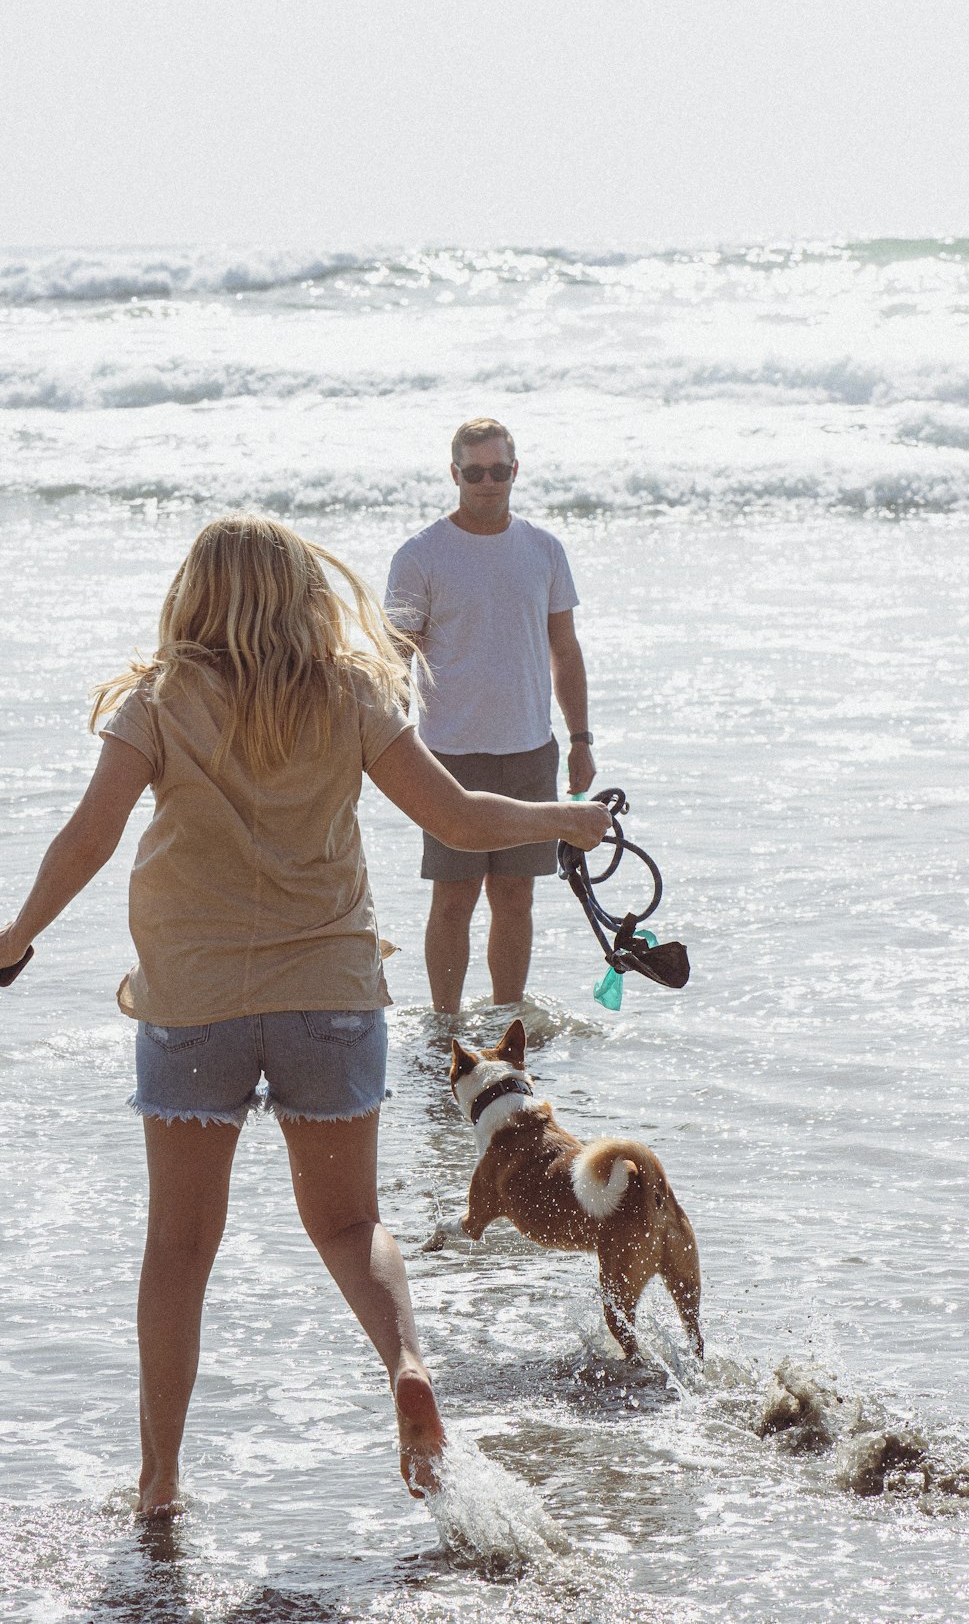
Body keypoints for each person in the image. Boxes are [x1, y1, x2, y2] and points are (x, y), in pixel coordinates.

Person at [0, 515, 610, 1519]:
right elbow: (455, 815)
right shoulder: (353, 689)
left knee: (179, 1246)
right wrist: (560, 818)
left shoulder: (155, 697)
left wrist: (17, 932)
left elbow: (91, 834)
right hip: (330, 995)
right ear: (299, 591)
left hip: (194, 1004)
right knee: (350, 1221)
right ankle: (406, 1362)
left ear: (196, 591)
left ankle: (158, 1483)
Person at [385, 418, 597, 1014]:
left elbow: (567, 652)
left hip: (531, 749)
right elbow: (394, 660)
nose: (486, 482)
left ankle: (509, 1020)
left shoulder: (544, 549)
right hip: (448, 755)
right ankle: (445, 1026)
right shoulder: (421, 555)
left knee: (515, 897)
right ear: (454, 474)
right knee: (453, 899)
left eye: (498, 471)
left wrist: (580, 740)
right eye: (474, 472)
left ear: (514, 471)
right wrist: (386, 750)